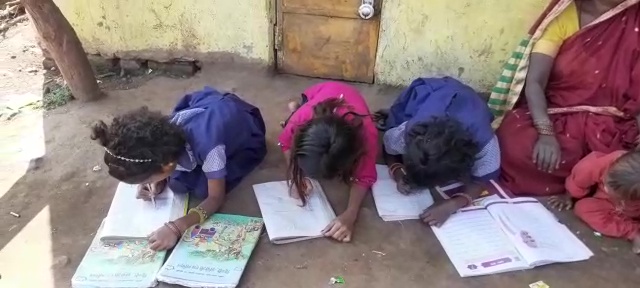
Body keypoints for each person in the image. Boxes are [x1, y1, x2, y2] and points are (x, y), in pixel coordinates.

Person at [91, 87, 267, 251]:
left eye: (147, 180)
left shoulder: (210, 148)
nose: (147, 184)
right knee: (179, 183)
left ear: (166, 165)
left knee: (201, 189)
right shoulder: (160, 135)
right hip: (215, 112)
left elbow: (216, 197)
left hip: (246, 132)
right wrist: (159, 180)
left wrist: (176, 227)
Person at [493, 0, 640, 196]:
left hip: (614, 121)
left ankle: (589, 187)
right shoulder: (564, 16)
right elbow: (535, 82)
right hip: (557, 113)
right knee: (514, 143)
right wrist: (546, 134)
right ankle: (592, 188)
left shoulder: (635, 19)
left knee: (627, 162)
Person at [374, 77, 500, 227]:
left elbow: (482, 181)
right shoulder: (411, 131)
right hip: (429, 94)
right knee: (394, 119)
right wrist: (397, 171)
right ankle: (391, 113)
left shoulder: (485, 144)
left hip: (471, 104)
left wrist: (452, 205)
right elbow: (388, 147)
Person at [278, 81, 378, 242]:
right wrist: (295, 177)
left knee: (293, 119)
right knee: (292, 122)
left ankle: (294, 108)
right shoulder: (301, 120)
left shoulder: (367, 135)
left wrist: (350, 214)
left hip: (347, 98)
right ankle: (295, 108)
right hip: (319, 93)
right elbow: (285, 143)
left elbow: (364, 177)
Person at [549, 150, 640, 254]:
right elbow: (580, 179)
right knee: (583, 208)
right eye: (607, 185)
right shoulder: (600, 163)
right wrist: (569, 195)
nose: (606, 187)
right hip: (607, 203)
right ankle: (632, 231)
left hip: (635, 211)